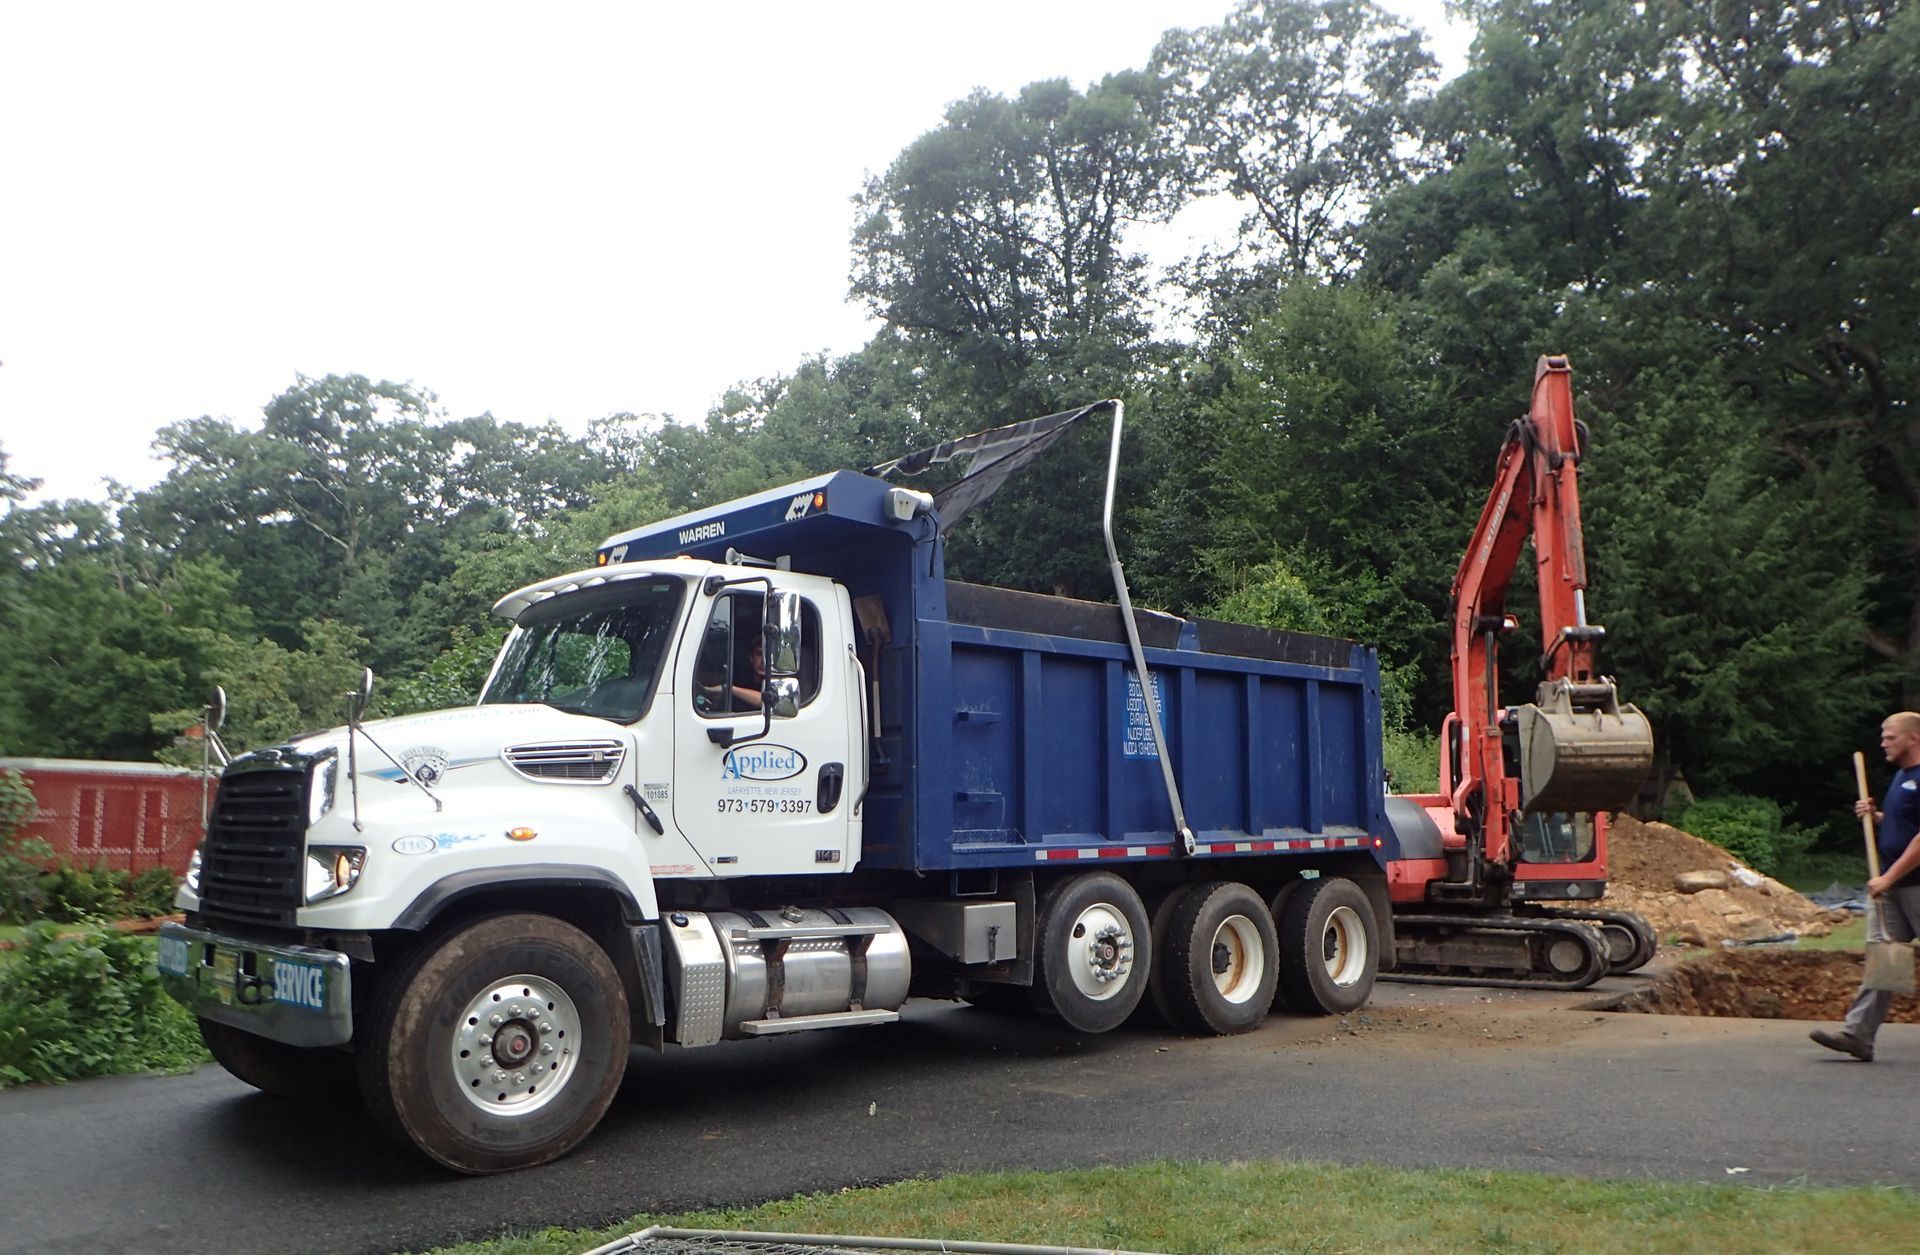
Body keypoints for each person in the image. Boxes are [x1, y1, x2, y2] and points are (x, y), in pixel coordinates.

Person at [1811, 710, 1920, 1062]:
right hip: (1890, 887)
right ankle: (1857, 1035)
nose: (1883, 742)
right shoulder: (1902, 778)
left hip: (1913, 885)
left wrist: (1888, 877)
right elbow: (1904, 826)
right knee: (1883, 959)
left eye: (1889, 736)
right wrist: (1876, 818)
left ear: (1912, 738)